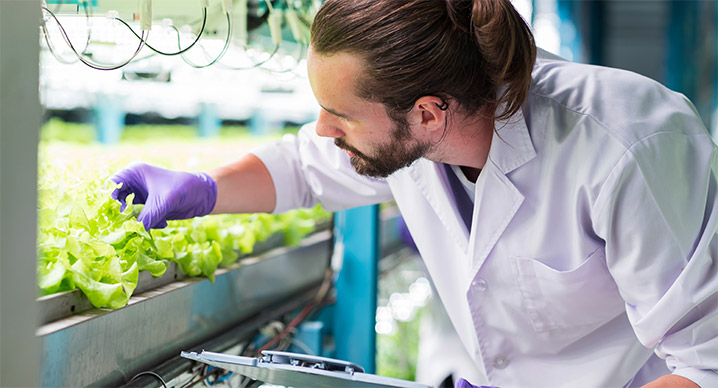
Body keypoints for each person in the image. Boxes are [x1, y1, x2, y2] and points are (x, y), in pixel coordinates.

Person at [111, 0, 718, 387]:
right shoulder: (419, 133)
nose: (324, 130)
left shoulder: (628, 141)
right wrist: (203, 189)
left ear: (429, 114)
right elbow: (305, 164)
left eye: (339, 115)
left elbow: (705, 365)